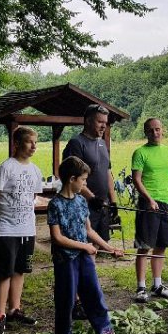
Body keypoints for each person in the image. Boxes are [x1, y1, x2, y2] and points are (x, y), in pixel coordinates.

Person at [48, 156, 125, 334]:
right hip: (65, 261)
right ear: (71, 179)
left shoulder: (82, 201)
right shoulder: (55, 205)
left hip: (84, 259)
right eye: (83, 179)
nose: (85, 183)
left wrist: (109, 248)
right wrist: (84, 247)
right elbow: (57, 238)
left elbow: (89, 230)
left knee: (95, 297)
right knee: (66, 302)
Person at [0, 126, 43, 334]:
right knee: (4, 273)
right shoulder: (5, 168)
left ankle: (14, 309)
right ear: (17, 143)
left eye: (35, 143)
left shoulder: (35, 170)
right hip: (5, 229)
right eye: (29, 142)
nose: (33, 146)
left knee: (20, 270)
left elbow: (33, 197)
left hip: (27, 228)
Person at [131, 118, 168, 302]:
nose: (155, 133)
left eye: (158, 129)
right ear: (146, 132)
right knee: (144, 246)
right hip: (148, 205)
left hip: (165, 203)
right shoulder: (140, 152)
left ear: (162, 130)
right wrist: (149, 199)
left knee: (161, 245)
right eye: (151, 130)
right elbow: (136, 179)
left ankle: (157, 285)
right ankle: (141, 288)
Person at [62, 104, 117, 243]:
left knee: (100, 246)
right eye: (100, 122)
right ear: (88, 121)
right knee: (83, 245)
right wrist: (92, 198)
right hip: (83, 206)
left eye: (105, 122)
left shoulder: (103, 144)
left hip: (103, 205)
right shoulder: (76, 143)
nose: (103, 126)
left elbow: (107, 172)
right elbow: (72, 177)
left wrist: (113, 201)